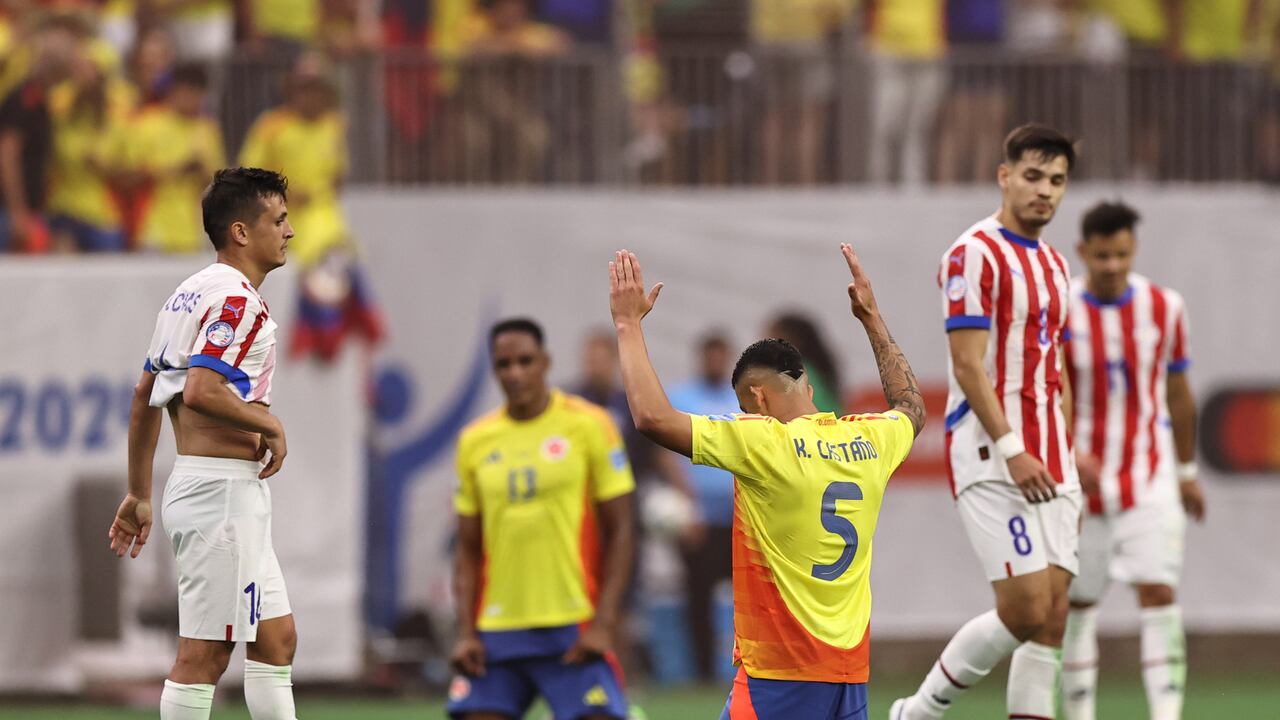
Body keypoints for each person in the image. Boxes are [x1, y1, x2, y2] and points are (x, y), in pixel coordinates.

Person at [608, 245, 925, 720]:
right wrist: (872, 319)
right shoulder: (871, 437)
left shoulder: (763, 442)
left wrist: (628, 324)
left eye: (741, 404)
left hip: (782, 675)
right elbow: (911, 407)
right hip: (849, 677)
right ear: (808, 385)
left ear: (757, 397)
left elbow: (652, 418)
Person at [892, 124, 1081, 720]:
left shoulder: (1054, 263)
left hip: (1051, 459)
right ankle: (917, 712)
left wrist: (1064, 447)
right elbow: (969, 367)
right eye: (1032, 176)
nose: (1043, 191)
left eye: (1056, 181)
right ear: (1004, 176)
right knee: (1024, 609)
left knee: (1051, 616)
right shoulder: (973, 254)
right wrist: (1013, 446)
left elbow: (1054, 364)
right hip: (990, 453)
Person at [107, 167, 298, 720]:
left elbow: (147, 391)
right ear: (241, 232)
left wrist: (139, 492)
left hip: (218, 491)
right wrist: (271, 425)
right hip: (219, 495)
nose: (289, 231)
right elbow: (201, 390)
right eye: (279, 219)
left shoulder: (187, 294)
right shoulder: (237, 301)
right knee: (204, 655)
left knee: (276, 639)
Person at [1059, 201, 1206, 720]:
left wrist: (1187, 473)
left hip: (1149, 475)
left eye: (1121, 254)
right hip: (1081, 481)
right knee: (1078, 605)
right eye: (1102, 256)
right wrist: (1070, 454)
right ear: (1083, 252)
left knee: (1159, 591)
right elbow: (1048, 390)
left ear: (1133, 249)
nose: (1112, 265)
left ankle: (1166, 714)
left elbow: (1179, 392)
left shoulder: (1165, 306)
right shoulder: (1062, 308)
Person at [448, 318, 636, 720]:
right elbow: (466, 546)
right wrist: (464, 632)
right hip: (496, 630)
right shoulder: (474, 440)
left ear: (545, 362)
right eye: (504, 364)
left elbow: (621, 529)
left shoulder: (589, 424)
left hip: (571, 624)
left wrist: (605, 622)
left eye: (525, 361)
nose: (514, 373)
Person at [663, 331, 739, 682]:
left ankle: (748, 665)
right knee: (699, 594)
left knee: (749, 593)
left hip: (739, 516)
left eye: (720, 356)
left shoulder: (740, 398)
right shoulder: (682, 397)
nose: (714, 363)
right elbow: (662, 450)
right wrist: (688, 502)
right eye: (709, 356)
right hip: (698, 519)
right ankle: (704, 671)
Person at [0, 12, 84, 252]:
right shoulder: (25, 99)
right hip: (11, 213)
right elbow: (7, 155)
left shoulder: (43, 101)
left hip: (28, 210)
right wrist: (17, 212)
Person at [127, 62, 226, 252]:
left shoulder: (207, 130)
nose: (190, 99)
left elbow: (218, 182)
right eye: (185, 92)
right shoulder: (149, 124)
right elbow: (130, 176)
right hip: (154, 226)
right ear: (173, 91)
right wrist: (176, 170)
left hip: (195, 229)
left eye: (196, 93)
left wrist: (201, 172)